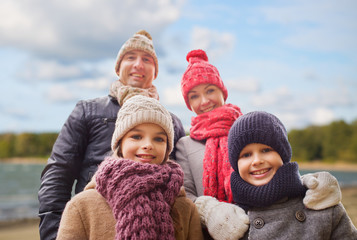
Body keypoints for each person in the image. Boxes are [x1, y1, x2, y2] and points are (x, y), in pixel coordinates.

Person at [175, 49, 342, 240]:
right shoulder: (185, 145)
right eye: (194, 96)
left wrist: (312, 185)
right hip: (211, 233)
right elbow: (185, 195)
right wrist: (211, 211)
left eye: (210, 90)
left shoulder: (247, 129)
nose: (204, 101)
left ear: (222, 91)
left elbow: (279, 168)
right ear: (188, 102)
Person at [38, 30, 185, 240]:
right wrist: (56, 233)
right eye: (130, 57)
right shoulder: (88, 110)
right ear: (118, 68)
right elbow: (58, 172)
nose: (138, 64)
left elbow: (180, 180)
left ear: (155, 72)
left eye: (147, 59)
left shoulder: (171, 122)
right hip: (96, 223)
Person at [56, 95, 204, 240]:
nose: (148, 145)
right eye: (137, 136)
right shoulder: (82, 207)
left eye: (158, 139)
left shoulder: (185, 208)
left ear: (167, 150)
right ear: (120, 144)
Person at [226, 111, 357, 239]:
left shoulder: (321, 204)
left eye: (266, 150)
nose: (257, 161)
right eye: (246, 155)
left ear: (283, 155)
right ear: (236, 164)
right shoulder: (230, 220)